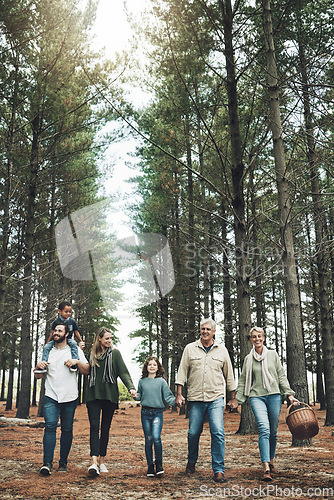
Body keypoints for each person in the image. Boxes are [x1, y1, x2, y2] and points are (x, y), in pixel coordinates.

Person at [175, 318, 238, 483]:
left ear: (214, 331)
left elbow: (229, 375)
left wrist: (233, 398)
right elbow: (182, 371)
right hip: (195, 398)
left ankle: (218, 470)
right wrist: (179, 394)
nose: (205, 332)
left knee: (217, 431)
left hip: (216, 397)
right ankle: (191, 461)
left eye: (208, 329)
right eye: (203, 329)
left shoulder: (222, 350)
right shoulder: (190, 349)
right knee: (193, 433)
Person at [235, 326, 299, 481]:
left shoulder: (272, 355)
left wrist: (289, 394)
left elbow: (280, 375)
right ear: (251, 340)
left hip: (274, 396)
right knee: (264, 428)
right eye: (254, 337)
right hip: (257, 397)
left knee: (273, 431)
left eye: (259, 336)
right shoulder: (248, 359)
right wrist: (238, 400)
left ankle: (271, 460)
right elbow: (243, 380)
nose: (257, 339)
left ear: (263, 338)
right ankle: (265, 467)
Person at [34, 323, 90, 475]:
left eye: (60, 331)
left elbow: (87, 370)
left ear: (66, 334)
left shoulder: (75, 350)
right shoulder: (48, 351)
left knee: (67, 429)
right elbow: (38, 376)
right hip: (51, 396)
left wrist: (77, 362)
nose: (56, 333)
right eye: (55, 331)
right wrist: (38, 367)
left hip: (70, 396)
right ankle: (47, 463)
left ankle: (63, 463)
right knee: (50, 427)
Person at [86, 327, 137, 477]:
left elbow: (123, 372)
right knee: (94, 427)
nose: (109, 341)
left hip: (109, 396)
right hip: (93, 395)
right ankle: (94, 462)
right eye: (106, 338)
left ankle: (102, 461)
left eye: (110, 338)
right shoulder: (92, 354)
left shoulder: (115, 354)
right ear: (99, 339)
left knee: (105, 428)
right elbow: (85, 369)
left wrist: (131, 388)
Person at [135, 356, 175, 477]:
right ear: (146, 367)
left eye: (154, 365)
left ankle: (159, 464)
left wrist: (177, 401)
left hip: (157, 413)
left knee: (156, 438)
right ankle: (150, 466)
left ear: (158, 368)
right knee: (148, 439)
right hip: (145, 413)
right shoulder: (142, 381)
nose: (152, 366)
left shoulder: (161, 382)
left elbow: (168, 397)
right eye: (149, 364)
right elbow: (139, 396)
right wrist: (133, 395)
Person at [34, 301, 85, 374]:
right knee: (46, 348)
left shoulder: (72, 321)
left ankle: (74, 364)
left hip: (69, 339)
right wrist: (47, 342)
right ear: (59, 311)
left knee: (74, 344)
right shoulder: (56, 321)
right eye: (66, 311)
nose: (68, 314)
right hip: (57, 340)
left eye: (70, 312)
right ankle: (43, 364)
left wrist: (81, 340)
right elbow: (52, 333)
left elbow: (76, 332)